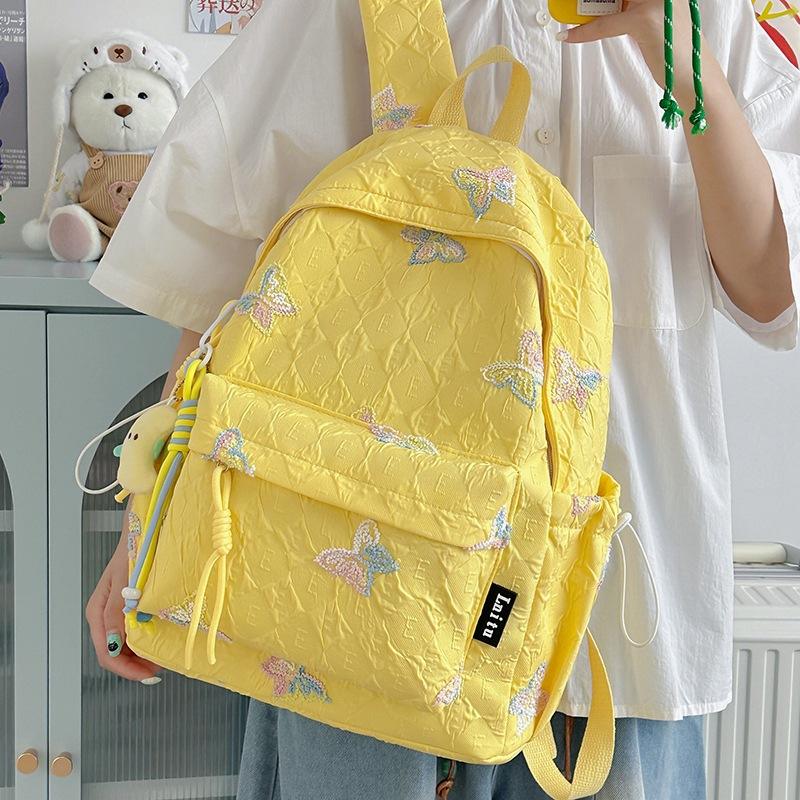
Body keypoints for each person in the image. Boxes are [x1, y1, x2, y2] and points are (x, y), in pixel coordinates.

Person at [85, 1, 799, 798]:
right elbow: (224, 276)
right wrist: (146, 526)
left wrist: (689, 73)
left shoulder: (709, 15)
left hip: (620, 620)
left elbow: (772, 294)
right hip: (361, 605)